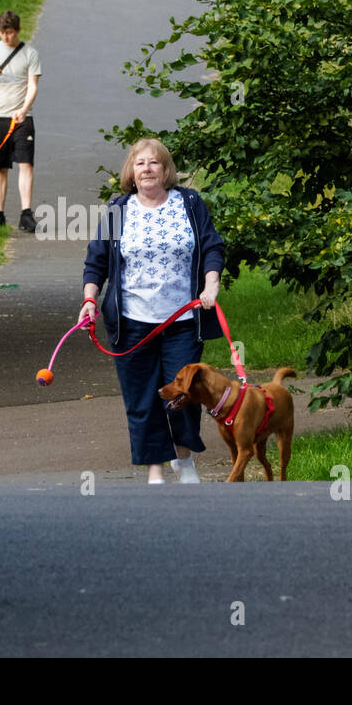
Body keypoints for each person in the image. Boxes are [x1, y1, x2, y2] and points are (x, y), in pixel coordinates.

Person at [80, 138, 226, 483]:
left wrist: (211, 285)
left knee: (185, 393)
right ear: (132, 171)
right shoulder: (119, 210)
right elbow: (96, 260)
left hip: (184, 320)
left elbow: (212, 246)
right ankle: (156, 468)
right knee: (142, 398)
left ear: (166, 170)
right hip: (132, 323)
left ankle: (185, 459)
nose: (147, 169)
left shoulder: (189, 203)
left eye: (154, 163)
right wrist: (89, 300)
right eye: (140, 163)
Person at [0, 10, 41, 231]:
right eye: (3, 33)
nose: (6, 38)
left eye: (10, 33)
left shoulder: (30, 54)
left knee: (26, 164)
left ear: (18, 31)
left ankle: (26, 213)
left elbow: (33, 85)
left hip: (22, 117)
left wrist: (24, 109)